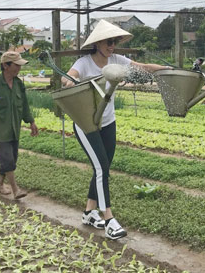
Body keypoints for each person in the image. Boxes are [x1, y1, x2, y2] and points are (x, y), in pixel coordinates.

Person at [61, 20, 172, 240]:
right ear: (98, 43)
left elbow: (141, 67)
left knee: (103, 167)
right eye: (109, 42)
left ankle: (88, 213)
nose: (113, 46)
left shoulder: (117, 60)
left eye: (115, 42)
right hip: (86, 123)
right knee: (102, 167)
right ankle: (109, 219)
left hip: (108, 121)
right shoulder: (84, 63)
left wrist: (167, 69)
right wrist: (70, 81)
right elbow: (69, 75)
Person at [0, 51, 39, 199]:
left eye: (19, 65)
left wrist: (31, 122)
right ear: (5, 65)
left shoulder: (18, 84)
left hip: (14, 129)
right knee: (8, 159)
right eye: (16, 65)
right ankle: (15, 189)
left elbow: (24, 105)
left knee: (11, 159)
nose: (19, 69)